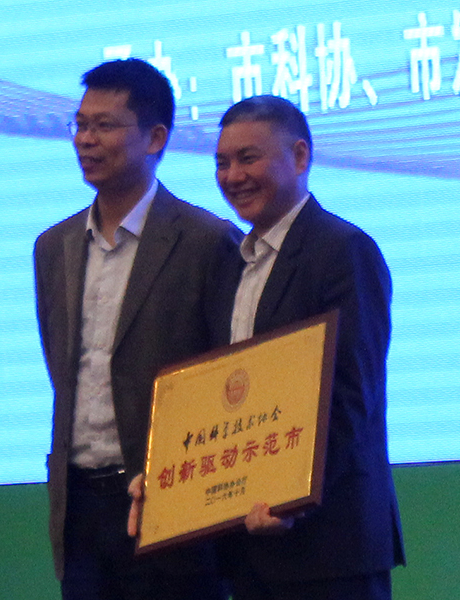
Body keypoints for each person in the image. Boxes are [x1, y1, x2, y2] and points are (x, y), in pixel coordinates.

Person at [33, 58, 237, 600]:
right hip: (79, 506)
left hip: (171, 501)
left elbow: (228, 375)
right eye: (80, 124)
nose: (86, 140)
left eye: (104, 125)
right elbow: (61, 369)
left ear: (155, 138)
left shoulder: (206, 241)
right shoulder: (53, 247)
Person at [207, 95, 406, 599]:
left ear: (299, 157)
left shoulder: (343, 250)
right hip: (250, 546)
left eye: (248, 158)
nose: (233, 176)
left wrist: (293, 500)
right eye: (222, 163)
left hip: (328, 546)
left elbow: (351, 395)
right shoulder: (232, 263)